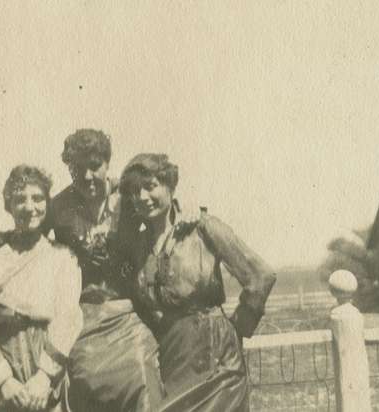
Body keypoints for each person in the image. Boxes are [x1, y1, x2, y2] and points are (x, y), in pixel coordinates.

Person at [0, 129, 165, 411]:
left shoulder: (129, 199)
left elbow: (163, 211)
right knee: (79, 382)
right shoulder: (60, 205)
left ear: (107, 164)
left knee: (143, 381)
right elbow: (27, 223)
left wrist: (183, 210)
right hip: (84, 317)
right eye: (77, 168)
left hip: (127, 315)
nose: (87, 176)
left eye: (94, 166)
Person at [118, 153, 277, 412]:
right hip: (171, 358)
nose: (143, 197)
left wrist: (236, 330)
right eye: (135, 191)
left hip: (217, 362)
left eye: (150, 186)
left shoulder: (202, 228)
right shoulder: (137, 248)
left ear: (170, 185)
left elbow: (261, 276)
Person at [0, 165, 82, 412]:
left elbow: (67, 320)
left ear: (47, 202)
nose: (30, 207)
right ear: (8, 206)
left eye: (37, 198)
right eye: (20, 200)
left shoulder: (63, 258)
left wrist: (44, 378)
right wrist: (4, 381)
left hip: (45, 376)